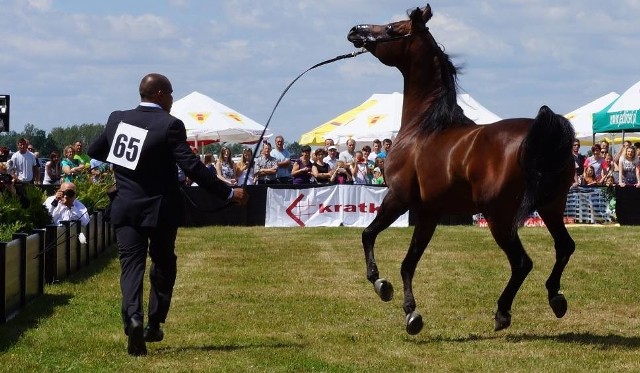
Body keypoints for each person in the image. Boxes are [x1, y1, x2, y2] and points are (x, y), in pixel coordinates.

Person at [87, 73, 247, 356]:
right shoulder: (170, 124)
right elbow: (192, 167)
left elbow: (95, 150)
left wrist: (128, 167)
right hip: (161, 209)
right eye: (171, 94)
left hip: (126, 206)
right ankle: (154, 323)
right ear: (160, 94)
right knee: (163, 264)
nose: (173, 99)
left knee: (131, 266)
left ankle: (133, 318)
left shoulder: (118, 119)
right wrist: (227, 193)